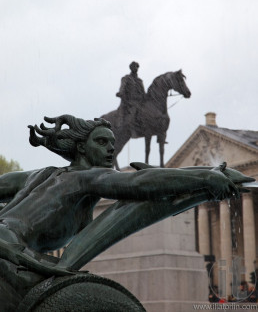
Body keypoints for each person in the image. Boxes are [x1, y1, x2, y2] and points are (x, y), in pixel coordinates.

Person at [0, 114, 254, 308]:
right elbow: (137, 184)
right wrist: (205, 180)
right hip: (11, 259)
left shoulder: (39, 176)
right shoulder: (88, 177)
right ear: (81, 149)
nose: (111, 149)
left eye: (112, 143)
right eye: (101, 142)